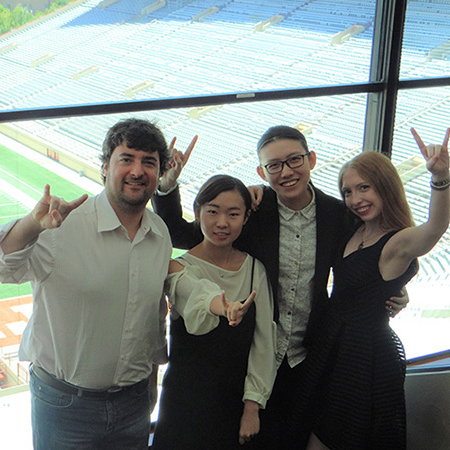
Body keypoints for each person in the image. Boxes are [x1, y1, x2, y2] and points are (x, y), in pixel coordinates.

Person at [151, 126, 409, 449]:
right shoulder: (254, 211)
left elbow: (374, 250)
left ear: (311, 160)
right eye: (274, 165)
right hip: (254, 363)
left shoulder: (336, 215)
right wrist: (166, 187)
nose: (286, 172)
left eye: (294, 160)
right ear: (262, 171)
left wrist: (398, 285)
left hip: (310, 357)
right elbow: (183, 234)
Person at [0, 118, 173, 450]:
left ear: (159, 172)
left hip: (133, 402)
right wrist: (30, 226)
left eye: (149, 162)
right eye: (127, 159)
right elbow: (5, 269)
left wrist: (150, 386)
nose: (138, 170)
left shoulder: (159, 234)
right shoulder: (62, 226)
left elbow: (152, 318)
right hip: (64, 405)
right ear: (105, 167)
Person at [292, 127, 450, 450]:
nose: (355, 199)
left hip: (365, 358)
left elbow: (435, 228)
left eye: (364, 188)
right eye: (348, 191)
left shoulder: (397, 241)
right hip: (334, 347)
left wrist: (441, 178)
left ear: (385, 187)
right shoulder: (356, 229)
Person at [151, 174, 277, 450]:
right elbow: (196, 293)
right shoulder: (178, 266)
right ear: (197, 212)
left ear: (245, 218)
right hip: (184, 401)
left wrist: (252, 407)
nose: (222, 223)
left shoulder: (256, 269)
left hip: (235, 401)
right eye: (212, 211)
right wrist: (223, 306)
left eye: (233, 214)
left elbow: (264, 342)